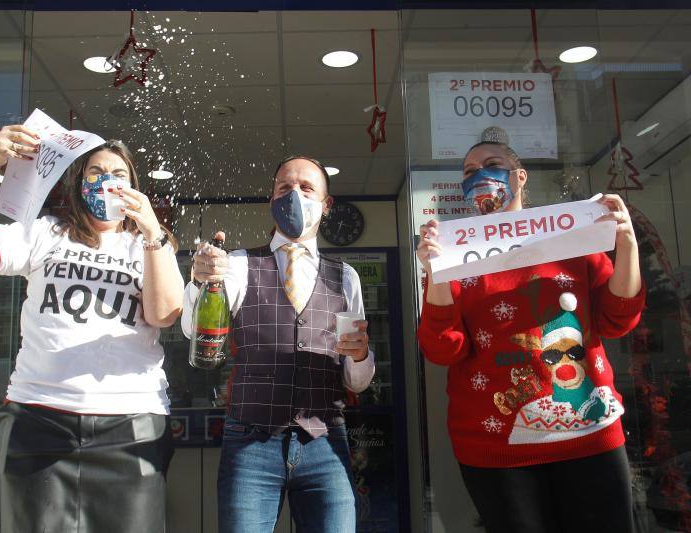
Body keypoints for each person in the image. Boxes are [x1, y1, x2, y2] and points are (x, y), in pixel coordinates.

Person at [0, 125, 184, 533]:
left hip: (129, 421)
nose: (107, 181)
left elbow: (164, 314)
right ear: (78, 183)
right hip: (39, 418)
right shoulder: (45, 233)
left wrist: (152, 232)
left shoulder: (148, 245)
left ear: (135, 188)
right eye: (95, 172)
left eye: (119, 174)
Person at [417, 141, 644, 533]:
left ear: (520, 176)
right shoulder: (454, 252)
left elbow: (617, 319)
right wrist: (436, 273)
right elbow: (442, 347)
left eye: (492, 164)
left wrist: (627, 245)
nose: (480, 175)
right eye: (469, 171)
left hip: (590, 434)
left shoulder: (572, 237)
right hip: (498, 448)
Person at [182, 155, 376, 533]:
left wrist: (361, 355)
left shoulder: (345, 278)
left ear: (326, 204)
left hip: (325, 441)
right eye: (284, 187)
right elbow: (193, 330)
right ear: (271, 198)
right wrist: (199, 282)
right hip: (251, 440)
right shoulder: (236, 265)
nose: (294, 195)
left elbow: (357, 382)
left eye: (306, 188)